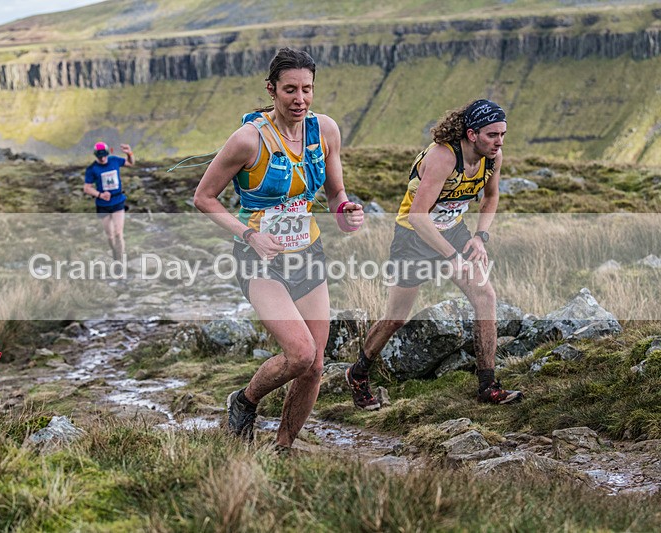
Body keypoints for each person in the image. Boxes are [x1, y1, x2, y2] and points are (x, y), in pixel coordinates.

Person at [193, 47, 365, 449]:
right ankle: (245, 400)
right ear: (272, 90)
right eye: (290, 89)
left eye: (307, 89)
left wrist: (345, 211)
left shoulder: (326, 130)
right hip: (260, 260)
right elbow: (204, 197)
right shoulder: (247, 139)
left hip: (308, 255)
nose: (299, 99)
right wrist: (248, 234)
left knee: (316, 364)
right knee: (300, 353)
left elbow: (335, 191)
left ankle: (283, 448)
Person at [345, 99, 523, 410]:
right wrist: (452, 256)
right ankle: (358, 374)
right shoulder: (443, 157)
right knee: (397, 317)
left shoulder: (492, 158)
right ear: (471, 134)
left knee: (485, 297)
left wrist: (480, 237)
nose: (499, 142)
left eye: (503, 134)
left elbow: (491, 196)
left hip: (453, 230)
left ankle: (488, 385)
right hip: (413, 236)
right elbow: (417, 216)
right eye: (493, 135)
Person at [83, 141, 135, 260]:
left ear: (108, 152)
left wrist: (129, 153)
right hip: (103, 205)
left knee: (118, 233)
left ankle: (119, 260)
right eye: (100, 156)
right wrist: (100, 194)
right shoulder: (92, 169)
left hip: (118, 201)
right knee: (110, 236)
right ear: (95, 155)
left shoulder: (114, 160)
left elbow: (131, 163)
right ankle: (114, 253)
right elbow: (86, 188)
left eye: (104, 155)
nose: (103, 158)